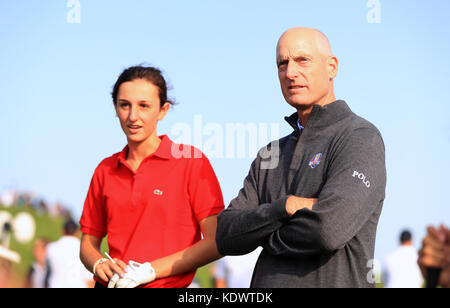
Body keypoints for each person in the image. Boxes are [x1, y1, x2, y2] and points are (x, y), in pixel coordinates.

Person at [215, 27, 387, 288]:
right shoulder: (270, 154)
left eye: (302, 60)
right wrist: (285, 207)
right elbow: (226, 233)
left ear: (332, 67)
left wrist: (260, 235)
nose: (290, 73)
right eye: (282, 63)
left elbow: (327, 230)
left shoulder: (359, 137)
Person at [79, 65, 225, 288]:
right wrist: (98, 263)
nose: (133, 116)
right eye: (124, 105)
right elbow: (88, 244)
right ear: (116, 107)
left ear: (163, 110)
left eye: (144, 106)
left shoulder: (191, 162)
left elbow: (216, 242)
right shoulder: (105, 169)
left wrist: (149, 271)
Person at [46, 219, 93, 288]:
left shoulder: (51, 248)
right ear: (77, 232)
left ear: (62, 231)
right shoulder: (85, 249)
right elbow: (89, 281)